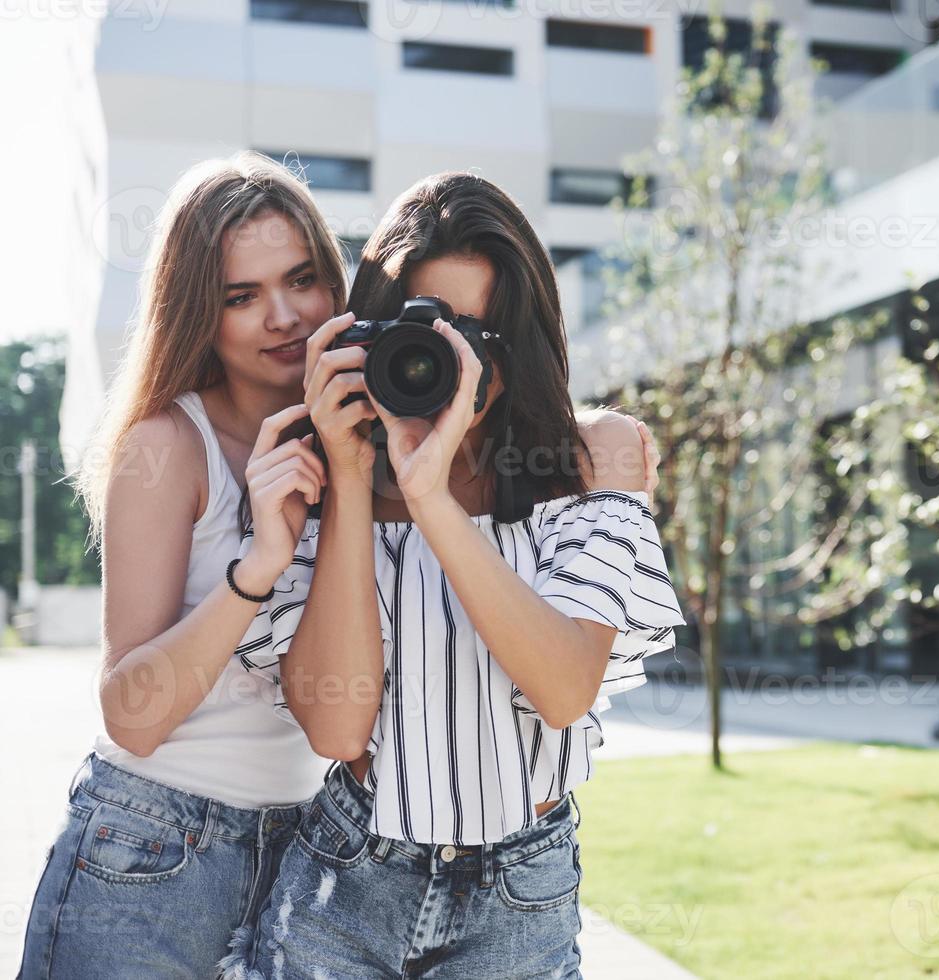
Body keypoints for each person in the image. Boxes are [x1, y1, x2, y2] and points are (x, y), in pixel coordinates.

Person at [17, 154, 662, 980]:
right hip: (174, 843)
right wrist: (293, 533)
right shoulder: (225, 455)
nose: (282, 317)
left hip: (326, 845)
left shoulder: (541, 455)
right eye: (239, 296)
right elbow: (190, 719)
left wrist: (427, 481)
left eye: (301, 280)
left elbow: (561, 687)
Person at [227, 172, 685, 978]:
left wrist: (431, 493)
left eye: (478, 336)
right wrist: (349, 473)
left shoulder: (591, 456)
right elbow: (337, 730)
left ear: (523, 342)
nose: (450, 360)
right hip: (346, 881)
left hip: (519, 895)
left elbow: (563, 687)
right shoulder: (323, 472)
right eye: (428, 331)